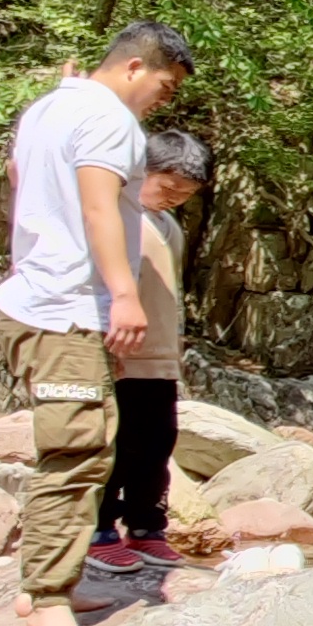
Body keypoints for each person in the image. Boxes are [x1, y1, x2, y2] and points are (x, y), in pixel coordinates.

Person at [0, 22, 192, 600]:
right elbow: (98, 207)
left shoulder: (49, 109)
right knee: (76, 453)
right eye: (166, 83)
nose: (165, 98)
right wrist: (124, 297)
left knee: (84, 448)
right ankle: (48, 594)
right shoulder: (109, 120)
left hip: (38, 300)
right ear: (134, 68)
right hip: (68, 309)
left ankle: (57, 580)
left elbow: (20, 179)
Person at [88, 129, 209, 582]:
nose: (175, 196)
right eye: (168, 185)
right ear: (142, 172)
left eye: (187, 192)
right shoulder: (119, 215)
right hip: (121, 351)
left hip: (158, 355)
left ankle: (146, 526)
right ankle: (99, 532)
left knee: (157, 443)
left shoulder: (166, 223)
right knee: (115, 445)